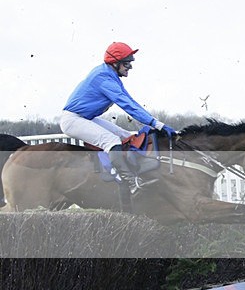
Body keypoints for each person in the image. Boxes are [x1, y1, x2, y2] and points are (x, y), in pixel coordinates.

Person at [60, 42, 176, 194]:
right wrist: (157, 124)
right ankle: (130, 182)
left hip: (85, 118)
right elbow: (127, 105)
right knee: (112, 141)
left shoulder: (111, 75)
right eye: (127, 63)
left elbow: (131, 102)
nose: (130, 67)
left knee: (126, 136)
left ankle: (137, 172)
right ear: (115, 63)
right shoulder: (104, 78)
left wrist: (156, 123)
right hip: (73, 120)